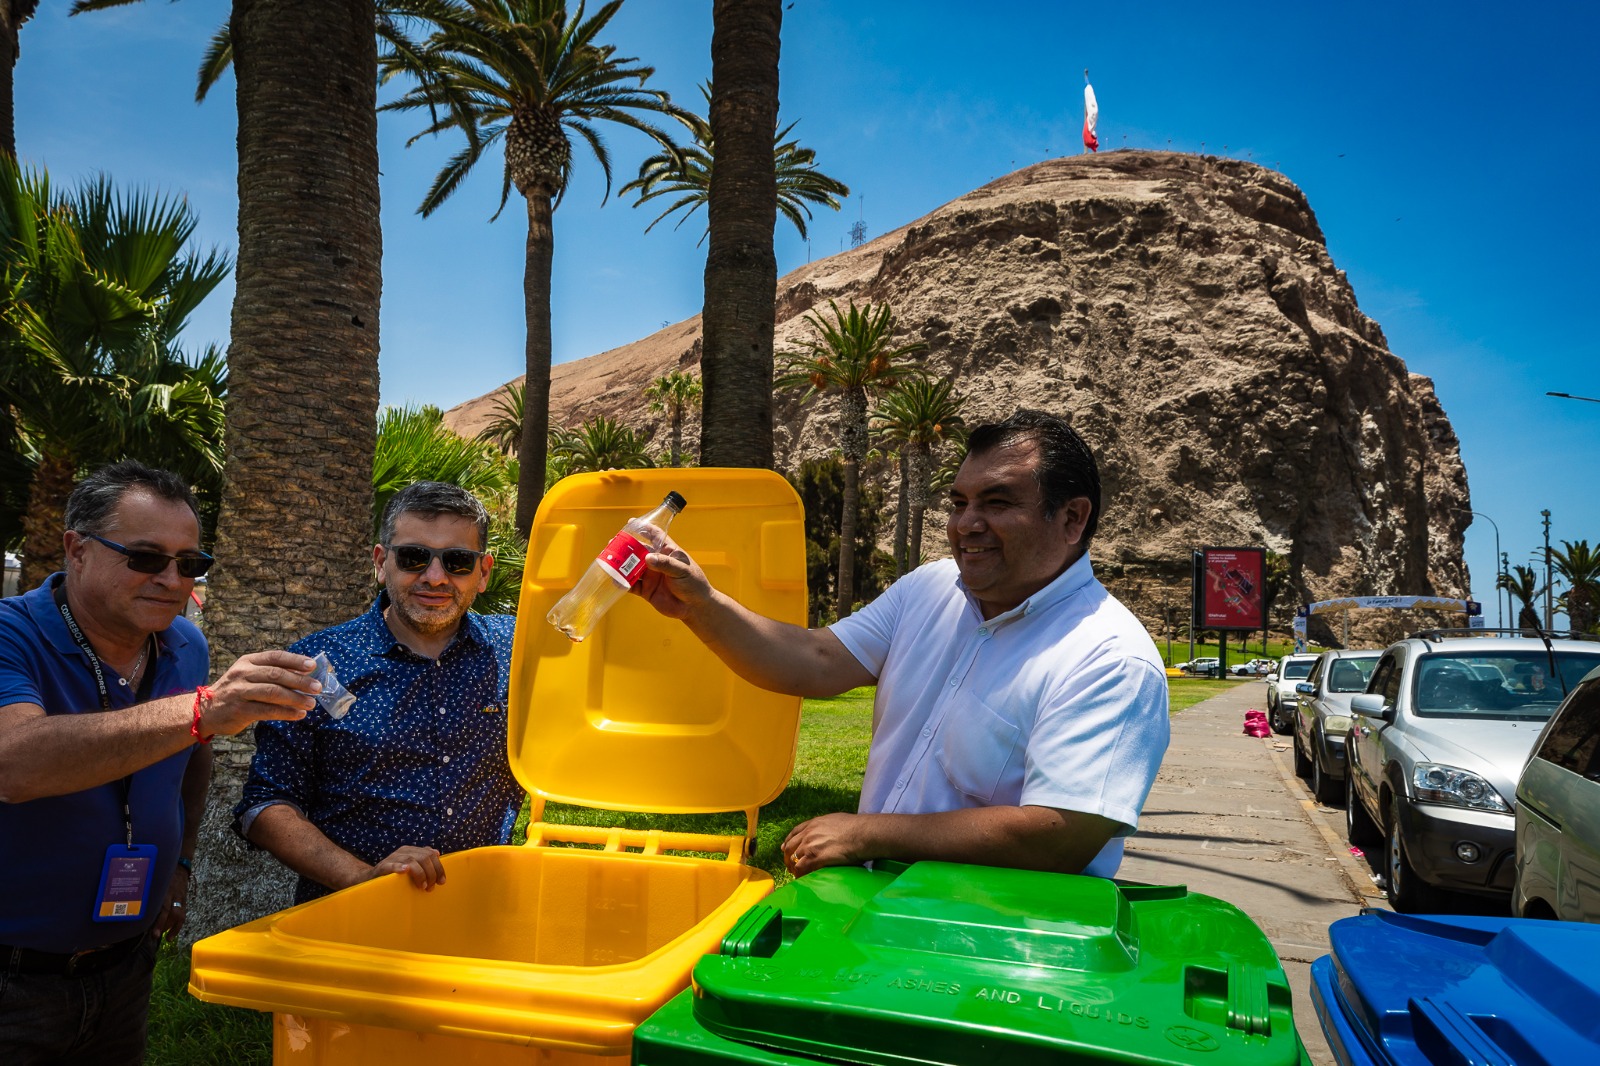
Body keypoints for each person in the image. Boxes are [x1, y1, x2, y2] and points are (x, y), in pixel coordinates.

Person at [635, 409, 1170, 879]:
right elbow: (815, 661)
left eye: (998, 502)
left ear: (1072, 518)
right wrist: (698, 604)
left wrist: (868, 834)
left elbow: (1057, 835)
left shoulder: (1111, 657)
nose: (967, 524)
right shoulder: (928, 587)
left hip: (999, 943)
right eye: (959, 503)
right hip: (878, 910)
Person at [0, 461, 322, 1065]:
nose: (172, 580)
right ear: (76, 548)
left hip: (125, 965)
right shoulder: (9, 635)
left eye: (190, 564)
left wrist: (179, 863)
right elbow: (14, 765)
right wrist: (203, 711)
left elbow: (189, 757)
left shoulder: (183, 645)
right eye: (146, 557)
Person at [236, 482, 522, 904]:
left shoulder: (518, 649)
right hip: (353, 921)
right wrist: (363, 878)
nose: (435, 577)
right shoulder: (319, 665)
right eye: (413, 557)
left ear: (483, 573)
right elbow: (265, 805)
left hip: (485, 910)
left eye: (458, 561)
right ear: (380, 562)